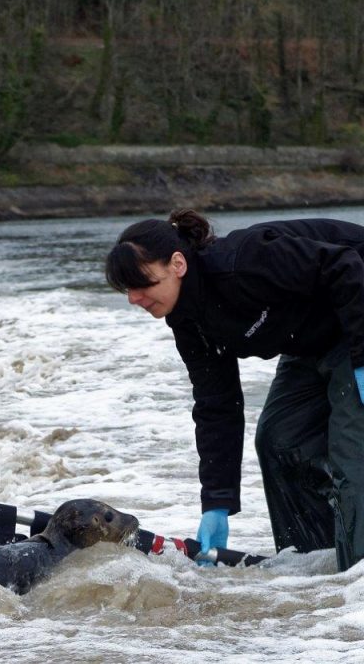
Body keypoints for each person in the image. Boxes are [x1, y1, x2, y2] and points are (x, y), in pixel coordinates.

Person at [105, 208, 364, 571]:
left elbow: (346, 265)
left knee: (352, 452)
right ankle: (316, 572)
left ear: (177, 264)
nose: (134, 297)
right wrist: (217, 502)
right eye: (127, 289)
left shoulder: (244, 261)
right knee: (279, 441)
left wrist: (362, 360)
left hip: (358, 315)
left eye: (142, 283)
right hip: (313, 341)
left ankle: (358, 581)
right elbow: (216, 404)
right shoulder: (187, 321)